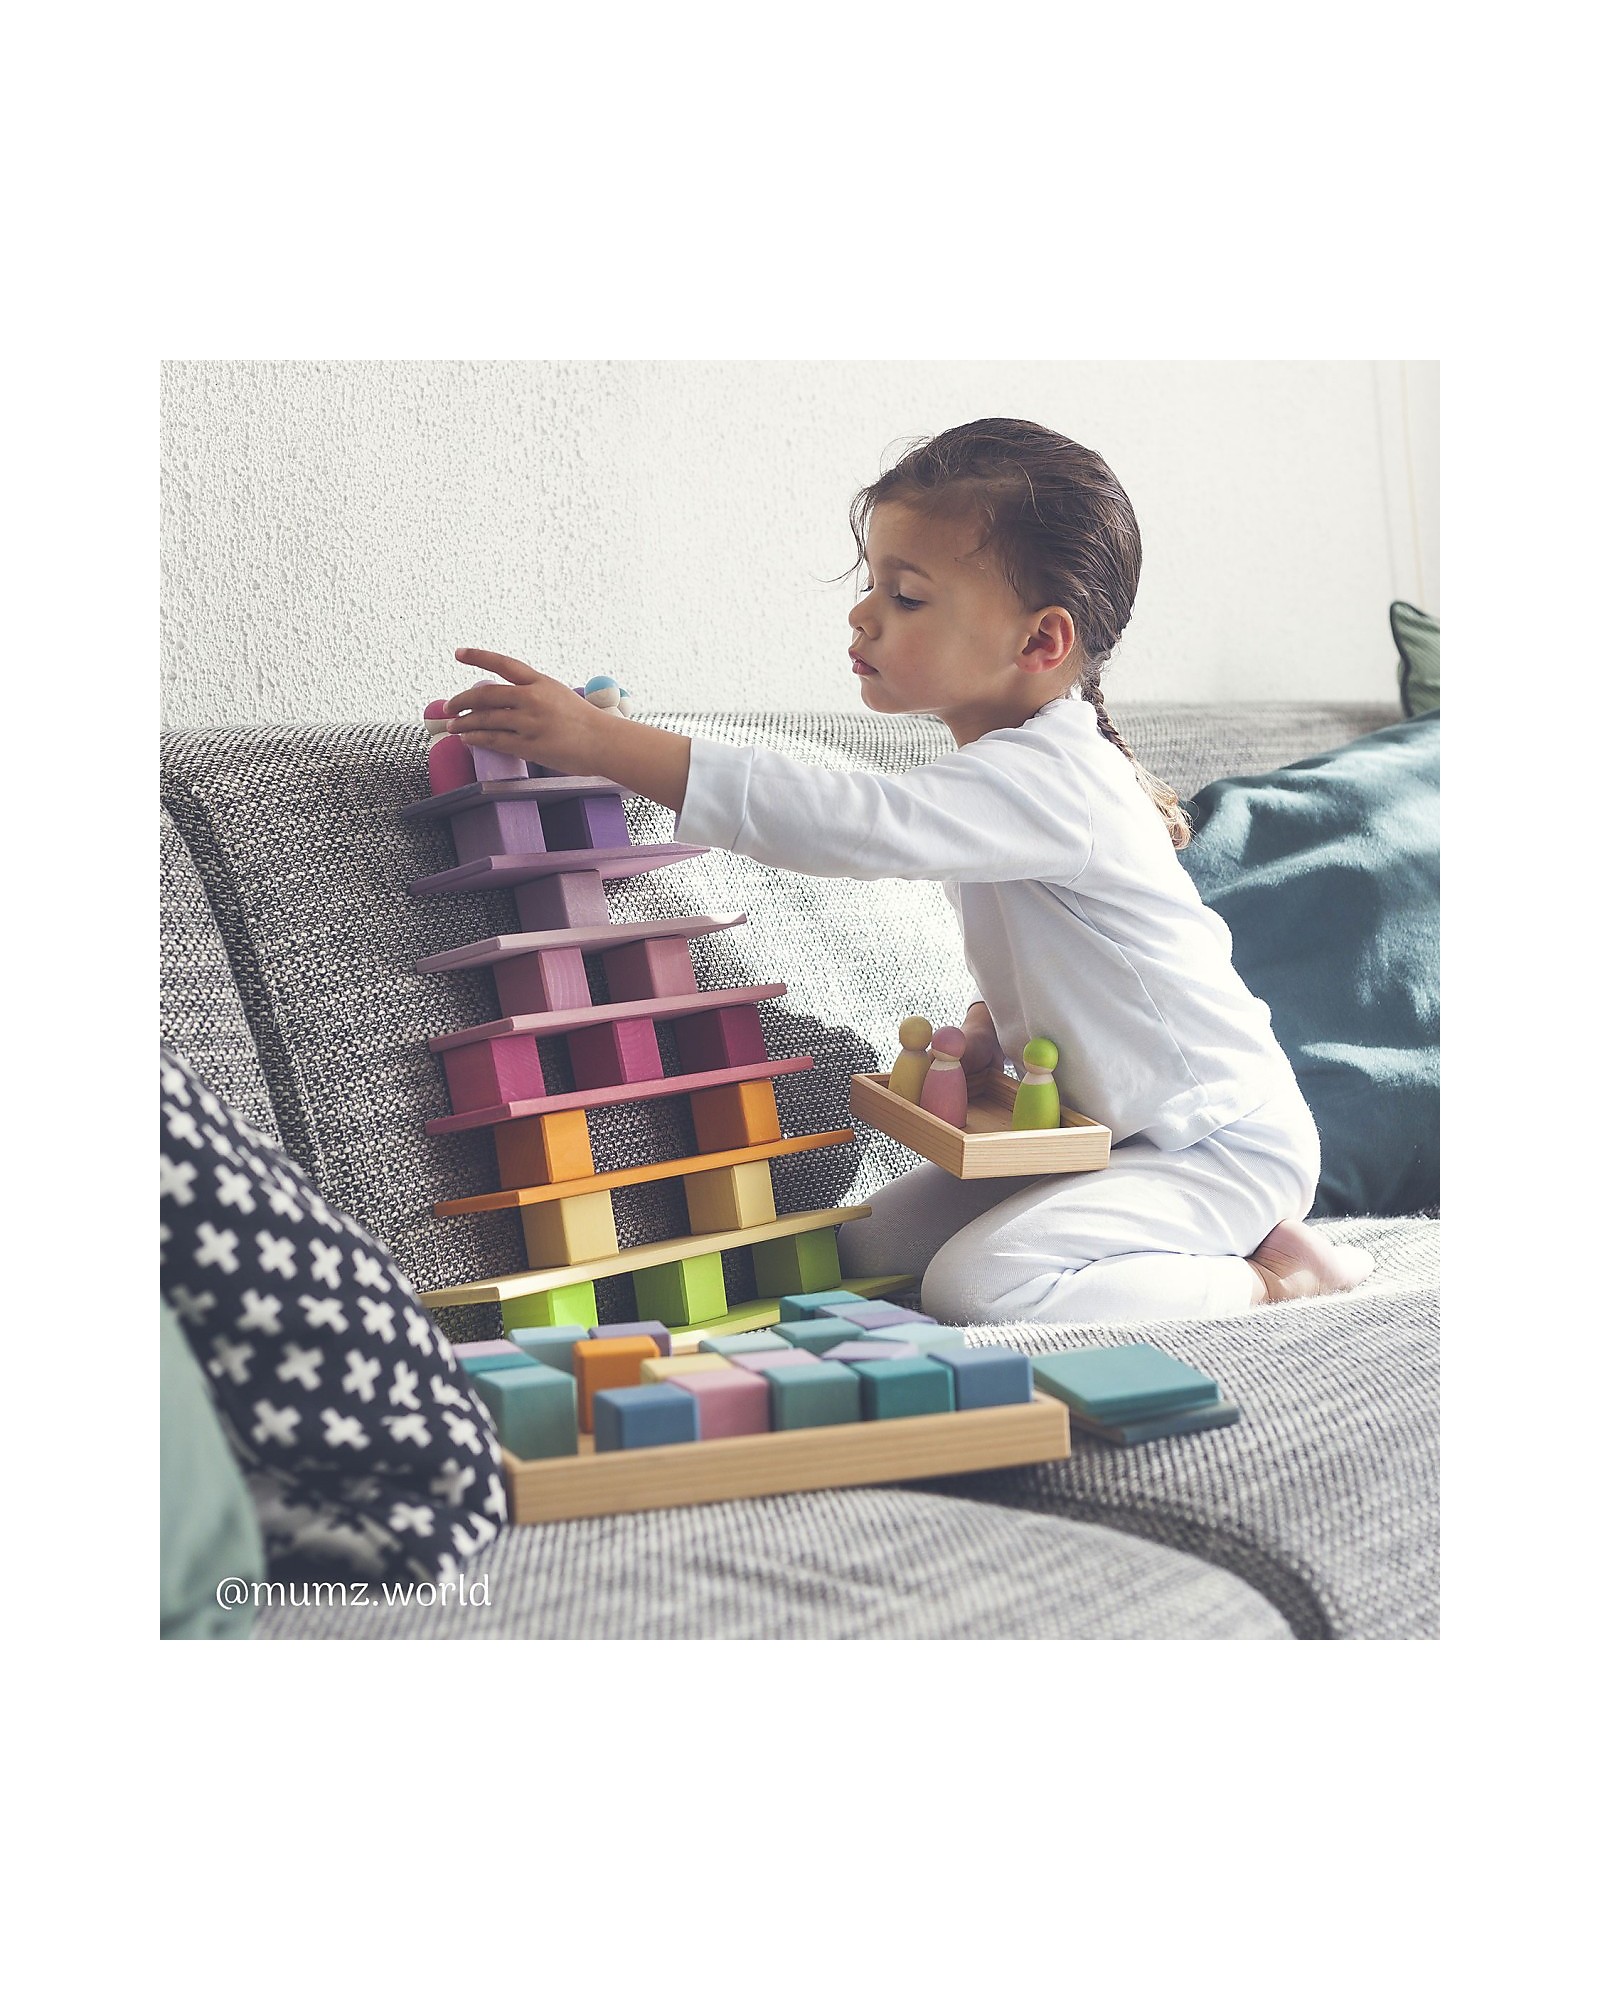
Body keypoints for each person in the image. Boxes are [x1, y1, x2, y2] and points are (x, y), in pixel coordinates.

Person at [440, 417, 1374, 1325]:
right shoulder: (1007, 774)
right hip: (1099, 1138)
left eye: (908, 597)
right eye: (871, 584)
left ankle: (1272, 1279)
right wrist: (1010, 1041)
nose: (863, 614)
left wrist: (610, 745)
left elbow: (854, 823)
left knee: (979, 1289)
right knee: (865, 1250)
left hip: (1212, 1144)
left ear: (1039, 643)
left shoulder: (1058, 776)